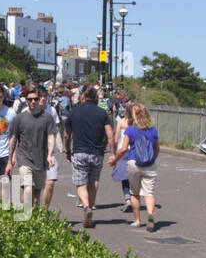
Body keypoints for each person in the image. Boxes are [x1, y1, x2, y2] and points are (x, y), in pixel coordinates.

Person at [62, 85, 114, 229]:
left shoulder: (74, 112)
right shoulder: (103, 114)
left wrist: (67, 150)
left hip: (79, 151)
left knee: (80, 183)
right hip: (97, 152)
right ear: (96, 99)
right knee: (93, 181)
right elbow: (110, 135)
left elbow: (67, 135)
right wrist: (113, 153)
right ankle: (91, 206)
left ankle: (86, 207)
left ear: (83, 97)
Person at [110, 103, 160, 232]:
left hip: (133, 163)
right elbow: (157, 149)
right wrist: (152, 159)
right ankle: (150, 214)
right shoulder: (152, 130)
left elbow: (123, 149)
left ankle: (137, 220)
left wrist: (114, 160)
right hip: (149, 164)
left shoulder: (130, 130)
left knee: (134, 193)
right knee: (149, 193)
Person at [7, 84, 56, 209]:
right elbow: (13, 138)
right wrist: (10, 160)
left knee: (37, 193)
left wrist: (50, 155)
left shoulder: (47, 118)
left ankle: (33, 217)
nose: (33, 101)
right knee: (28, 188)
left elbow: (51, 137)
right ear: (26, 100)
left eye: (35, 99)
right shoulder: (20, 118)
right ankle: (25, 213)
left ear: (39, 99)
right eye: (30, 99)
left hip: (41, 159)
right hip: (24, 159)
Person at [110, 103, 133, 205]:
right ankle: (133, 196)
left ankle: (127, 197)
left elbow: (116, 139)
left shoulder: (121, 122)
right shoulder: (137, 123)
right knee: (134, 175)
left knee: (124, 176)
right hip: (133, 150)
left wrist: (114, 153)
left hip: (122, 151)